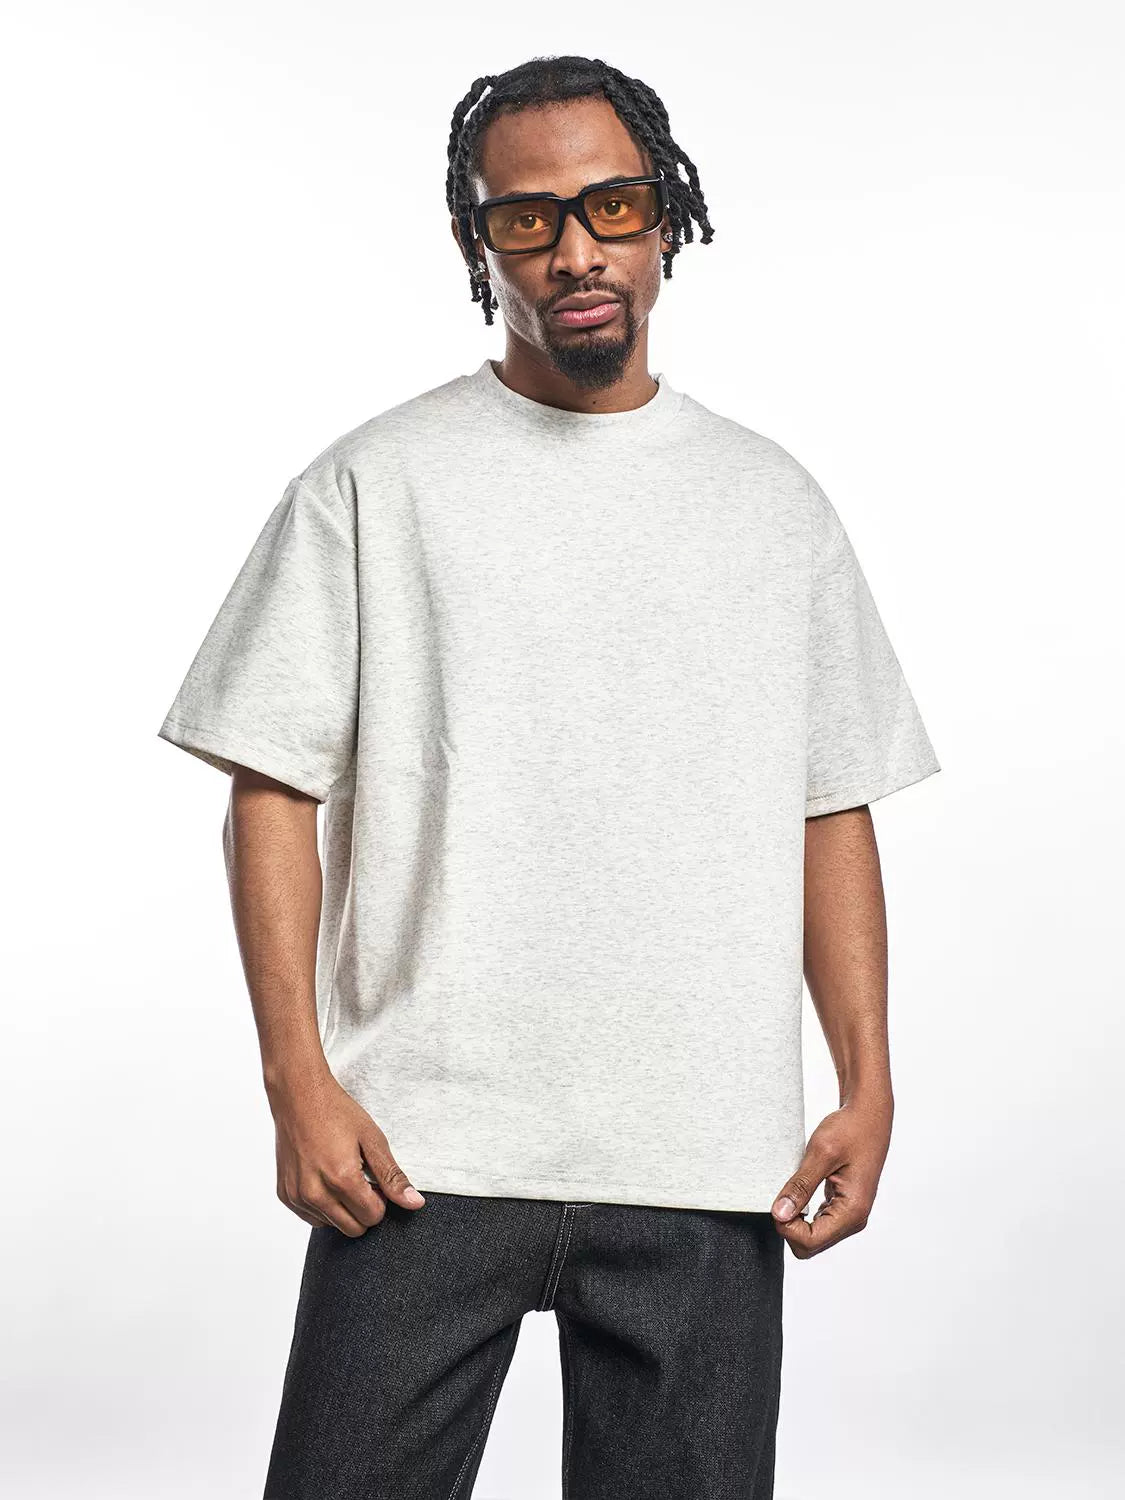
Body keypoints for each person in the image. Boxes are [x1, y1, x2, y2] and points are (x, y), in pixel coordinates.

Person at [157, 53, 940, 1500]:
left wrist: (870, 1081)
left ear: (665, 218)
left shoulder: (772, 506)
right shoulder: (372, 484)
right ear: (480, 245)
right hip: (418, 1148)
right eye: (526, 218)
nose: (575, 250)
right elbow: (271, 788)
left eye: (610, 205)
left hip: (703, 1154)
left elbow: (830, 806)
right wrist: (295, 1080)